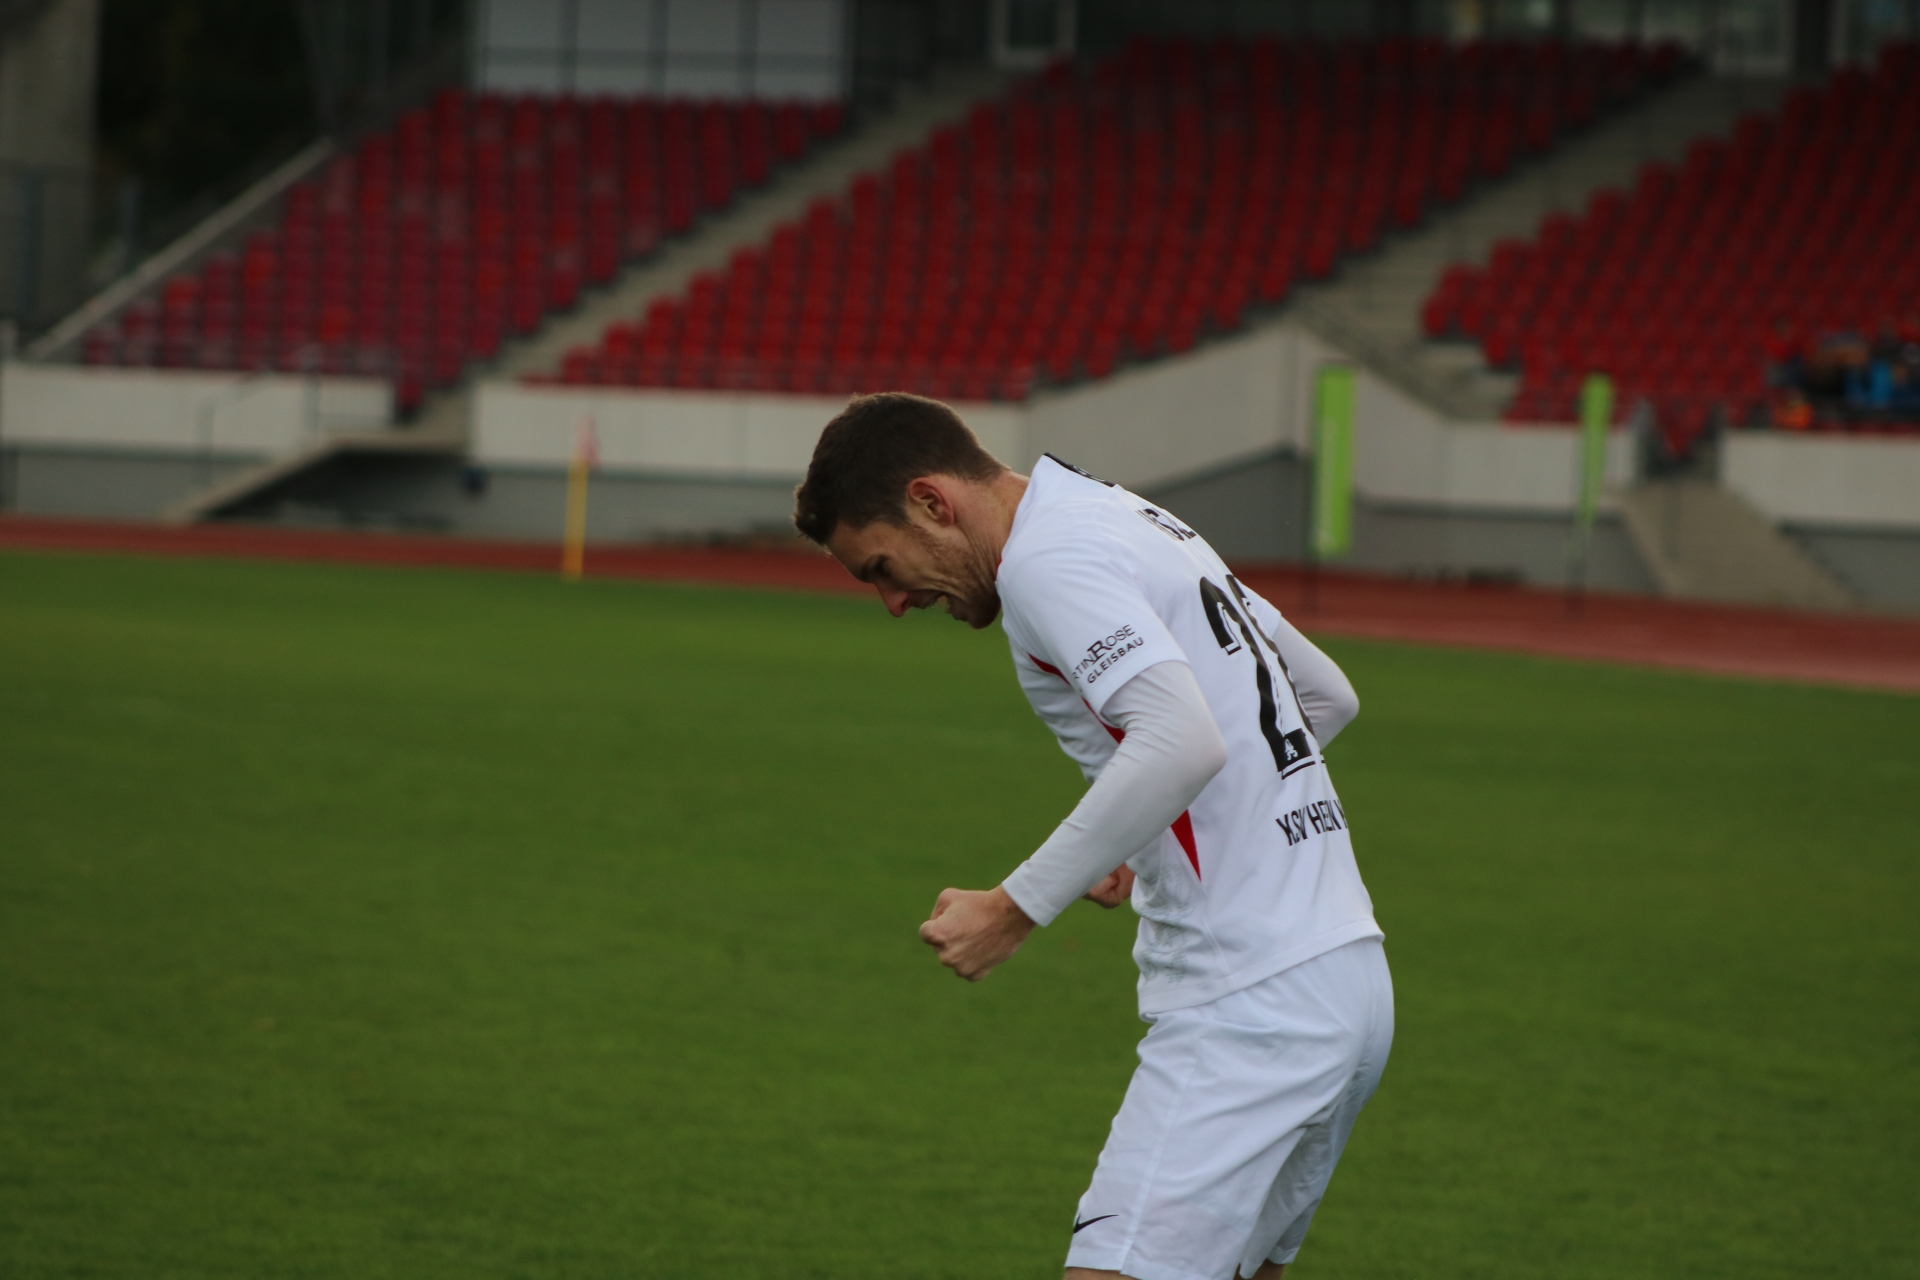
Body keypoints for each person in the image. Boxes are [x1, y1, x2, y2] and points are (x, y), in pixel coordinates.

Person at [794, 392, 1392, 1280]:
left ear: (931, 502)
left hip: (1247, 1001)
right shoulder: (1125, 516)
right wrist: (1143, 837)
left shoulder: (1045, 560)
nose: (892, 601)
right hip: (1346, 976)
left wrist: (1014, 907)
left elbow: (1182, 739)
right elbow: (1325, 697)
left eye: (880, 567)